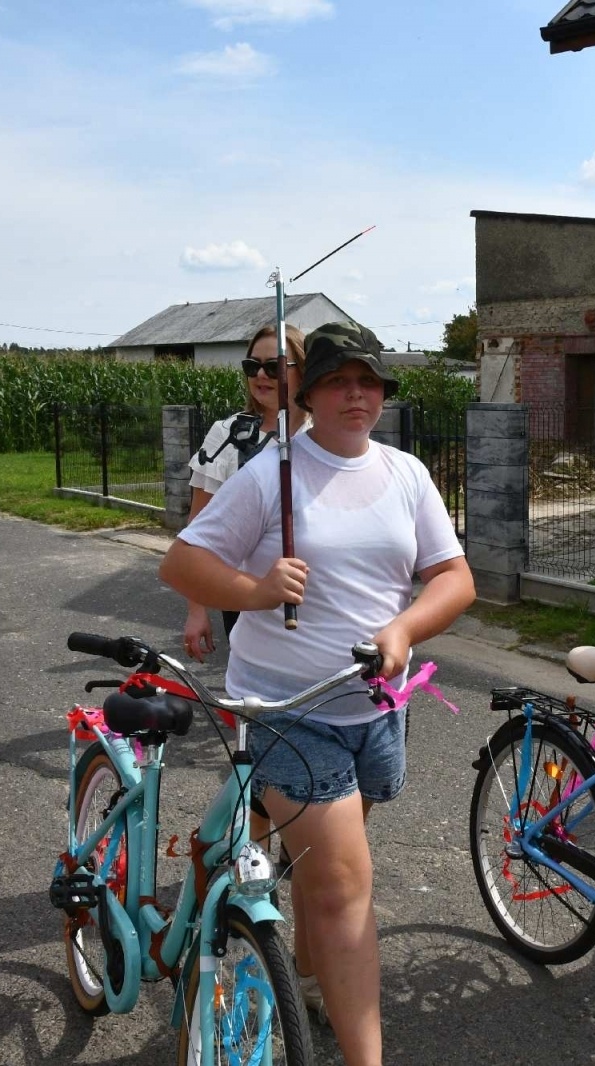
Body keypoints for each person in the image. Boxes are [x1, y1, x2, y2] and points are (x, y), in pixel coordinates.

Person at [159, 322, 474, 1066]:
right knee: (341, 887)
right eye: (338, 381)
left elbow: (454, 577)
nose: (356, 394)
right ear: (309, 392)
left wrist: (403, 630)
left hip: (374, 707)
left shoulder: (405, 472)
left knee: (313, 872)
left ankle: (295, 960)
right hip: (289, 709)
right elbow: (182, 563)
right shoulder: (272, 473)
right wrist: (256, 590)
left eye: (369, 381)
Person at [180, 324, 309, 661]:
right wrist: (197, 610)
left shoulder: (323, 434)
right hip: (243, 591)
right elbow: (197, 530)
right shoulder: (226, 436)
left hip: (317, 591)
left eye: (274, 366)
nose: (260, 375)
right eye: (252, 366)